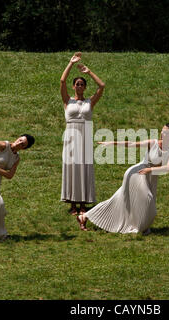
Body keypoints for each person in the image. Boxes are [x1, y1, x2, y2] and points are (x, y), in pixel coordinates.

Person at [76, 123, 169, 235]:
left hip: (150, 177)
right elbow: (131, 144)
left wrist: (150, 170)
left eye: (165, 132)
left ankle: (84, 216)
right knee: (148, 200)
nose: (162, 133)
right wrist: (112, 143)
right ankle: (140, 226)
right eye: (162, 130)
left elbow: (168, 168)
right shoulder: (152, 143)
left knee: (118, 200)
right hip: (136, 174)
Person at [60, 52, 105, 215]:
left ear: (85, 87)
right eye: (77, 84)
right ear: (74, 87)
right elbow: (62, 81)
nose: (79, 86)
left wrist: (89, 72)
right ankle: (72, 204)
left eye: (81, 84)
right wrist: (71, 63)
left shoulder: (89, 102)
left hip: (85, 135)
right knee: (72, 168)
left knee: (84, 168)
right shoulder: (67, 101)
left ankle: (83, 204)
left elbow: (102, 86)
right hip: (71, 136)